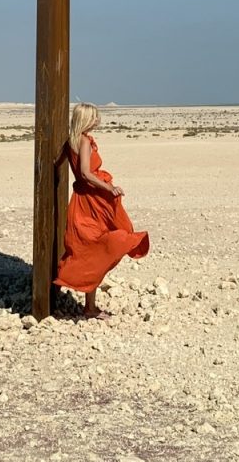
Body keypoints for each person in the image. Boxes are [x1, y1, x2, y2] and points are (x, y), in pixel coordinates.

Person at [53, 102, 150, 319]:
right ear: (86, 119)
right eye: (95, 117)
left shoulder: (71, 141)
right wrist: (110, 187)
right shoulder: (85, 142)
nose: (98, 121)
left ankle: (71, 298)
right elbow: (86, 173)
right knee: (97, 245)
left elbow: (57, 162)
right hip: (92, 201)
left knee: (85, 247)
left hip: (83, 199)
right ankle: (86, 305)